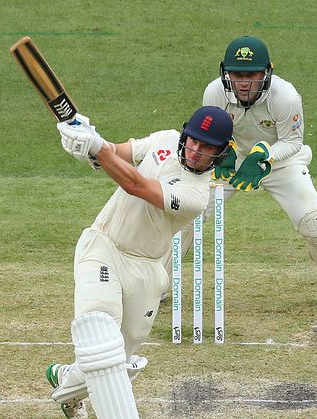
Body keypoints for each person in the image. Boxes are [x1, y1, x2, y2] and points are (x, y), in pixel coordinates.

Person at [44, 106, 233, 418]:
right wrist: (89, 144)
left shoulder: (198, 195)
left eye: (208, 147)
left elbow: (136, 185)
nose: (197, 150)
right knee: (100, 332)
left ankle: (67, 382)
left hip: (146, 269)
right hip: (104, 245)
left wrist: (97, 148)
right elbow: (118, 153)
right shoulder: (166, 140)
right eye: (194, 141)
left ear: (220, 153)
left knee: (116, 360)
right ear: (186, 135)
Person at [170, 35, 317, 313]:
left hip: (281, 161)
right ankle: (157, 283)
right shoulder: (214, 92)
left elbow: (293, 142)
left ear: (266, 73)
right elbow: (211, 133)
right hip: (231, 161)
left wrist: (264, 156)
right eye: (237, 74)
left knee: (315, 220)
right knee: (187, 209)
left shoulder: (285, 97)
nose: (244, 82)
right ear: (226, 73)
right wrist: (225, 154)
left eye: (252, 74)